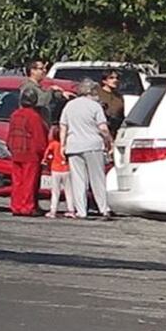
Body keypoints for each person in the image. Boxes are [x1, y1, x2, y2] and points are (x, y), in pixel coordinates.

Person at [60, 78, 114, 219]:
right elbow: (103, 128)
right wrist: (110, 142)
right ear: (91, 92)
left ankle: (81, 211)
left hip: (74, 146)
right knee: (97, 179)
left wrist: (62, 145)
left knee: (78, 180)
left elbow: (63, 126)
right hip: (93, 145)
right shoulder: (95, 106)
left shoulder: (69, 106)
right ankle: (104, 208)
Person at [8, 89, 49, 216]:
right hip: (30, 153)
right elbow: (39, 137)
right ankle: (27, 207)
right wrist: (43, 152)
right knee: (29, 182)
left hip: (16, 151)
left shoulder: (15, 114)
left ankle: (16, 206)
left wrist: (10, 147)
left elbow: (10, 134)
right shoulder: (34, 116)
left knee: (17, 181)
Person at [19, 58, 72, 122]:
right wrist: (51, 89)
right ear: (32, 71)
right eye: (41, 69)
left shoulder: (38, 87)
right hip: (32, 124)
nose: (45, 70)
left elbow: (47, 95)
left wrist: (61, 94)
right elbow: (42, 101)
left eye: (45, 68)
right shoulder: (29, 87)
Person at [45, 127, 75, 219]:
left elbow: (47, 155)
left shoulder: (53, 144)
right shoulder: (67, 144)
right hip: (66, 169)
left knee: (55, 191)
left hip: (55, 169)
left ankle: (53, 210)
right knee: (69, 191)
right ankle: (71, 210)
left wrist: (47, 162)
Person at [98, 69, 125, 137]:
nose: (115, 80)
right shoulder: (97, 94)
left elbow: (121, 114)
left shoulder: (119, 96)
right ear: (104, 81)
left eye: (117, 78)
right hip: (100, 129)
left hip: (115, 130)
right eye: (111, 78)